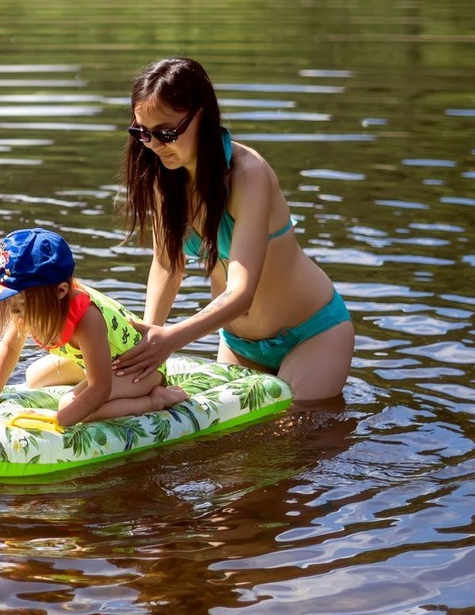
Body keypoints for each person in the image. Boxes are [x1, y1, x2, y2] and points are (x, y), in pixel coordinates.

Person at [114, 56, 354, 401]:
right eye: (142, 132)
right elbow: (168, 264)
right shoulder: (162, 175)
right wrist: (149, 341)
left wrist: (172, 338)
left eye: (166, 133)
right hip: (239, 343)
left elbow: (243, 291)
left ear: (203, 116)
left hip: (311, 334)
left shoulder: (248, 175)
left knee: (294, 435)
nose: (153, 145)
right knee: (239, 447)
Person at [0, 227, 187, 425]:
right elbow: (9, 348)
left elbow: (100, 388)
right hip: (105, 362)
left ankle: (156, 400)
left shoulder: (88, 319)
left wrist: (58, 419)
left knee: (70, 404)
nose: (15, 311)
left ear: (60, 292)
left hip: (139, 368)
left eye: (21, 302)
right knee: (35, 376)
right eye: (10, 301)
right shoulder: (30, 306)